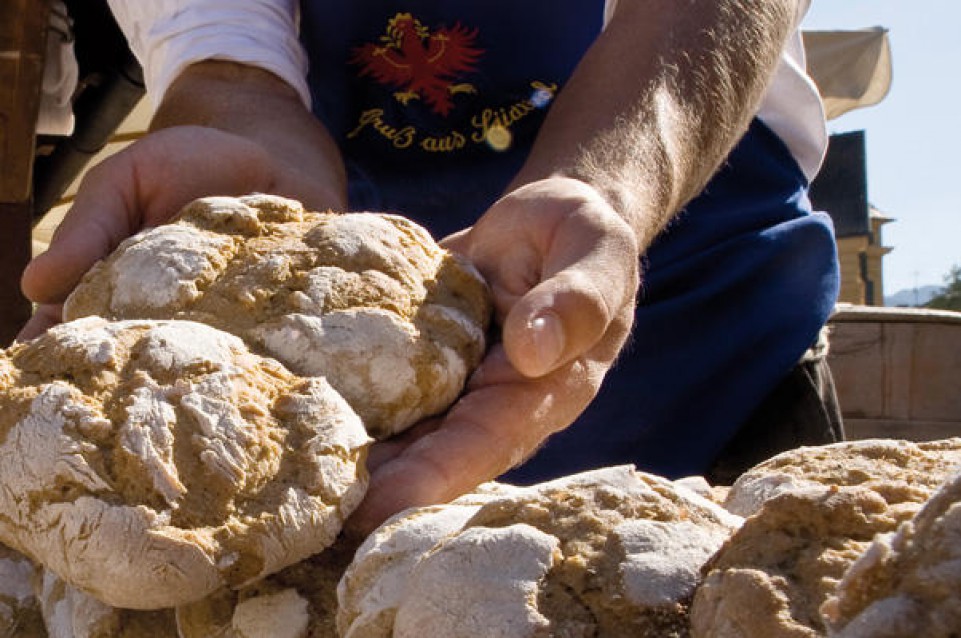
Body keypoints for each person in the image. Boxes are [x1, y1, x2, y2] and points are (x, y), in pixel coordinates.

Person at [19, 0, 842, 532]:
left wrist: (602, 184)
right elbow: (218, 41)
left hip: (710, 320)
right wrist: (246, 141)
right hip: (355, 376)